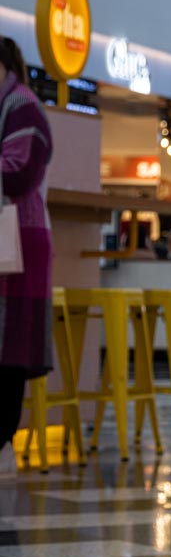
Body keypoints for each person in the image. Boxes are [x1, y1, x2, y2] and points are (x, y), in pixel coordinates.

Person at [0, 36, 53, 462]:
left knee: (8, 351)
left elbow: (18, 174)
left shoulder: (22, 107)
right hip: (11, 237)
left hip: (15, 237)